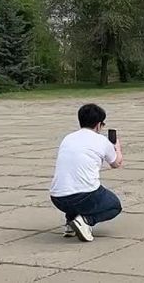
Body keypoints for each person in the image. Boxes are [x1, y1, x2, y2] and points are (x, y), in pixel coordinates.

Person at [49, 103, 123, 242]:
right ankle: (85, 221)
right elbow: (116, 164)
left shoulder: (68, 138)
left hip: (57, 197)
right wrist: (116, 147)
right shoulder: (102, 141)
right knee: (114, 205)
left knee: (74, 184)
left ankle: (70, 223)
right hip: (84, 196)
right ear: (98, 125)